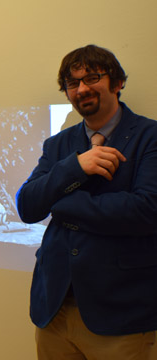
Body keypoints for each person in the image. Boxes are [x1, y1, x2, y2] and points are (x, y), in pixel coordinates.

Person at [16, 44, 157, 359]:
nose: (82, 88)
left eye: (92, 77)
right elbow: (27, 206)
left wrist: (61, 203)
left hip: (121, 313)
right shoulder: (58, 146)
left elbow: (146, 211)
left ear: (117, 82)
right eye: (72, 83)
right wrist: (75, 166)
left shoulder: (150, 137)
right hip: (54, 309)